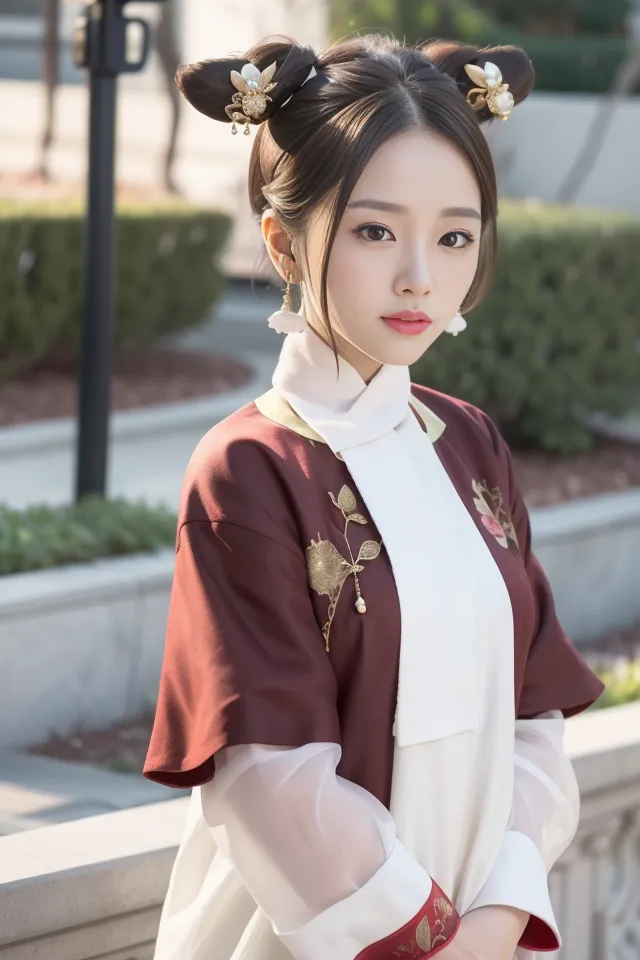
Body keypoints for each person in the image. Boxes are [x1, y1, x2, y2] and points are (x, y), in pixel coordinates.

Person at [143, 33, 604, 960]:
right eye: (375, 230)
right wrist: (442, 940)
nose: (419, 278)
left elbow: (535, 719)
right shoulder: (250, 467)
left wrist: (500, 914)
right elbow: (268, 781)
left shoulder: (467, 440)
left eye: (454, 236)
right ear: (284, 240)